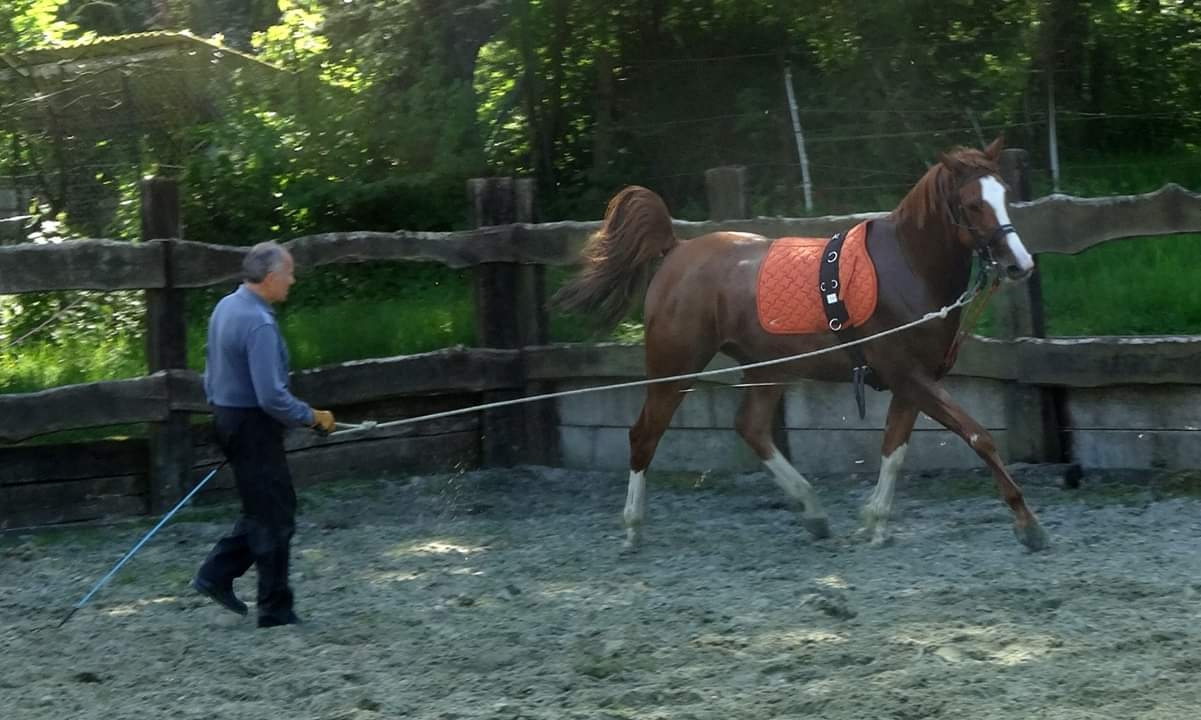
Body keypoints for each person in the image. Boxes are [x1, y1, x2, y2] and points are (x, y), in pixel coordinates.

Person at [191, 241, 336, 628]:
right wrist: (311, 417)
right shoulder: (259, 324)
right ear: (271, 277)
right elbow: (271, 396)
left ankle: (217, 574)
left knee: (267, 509)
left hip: (229, 418)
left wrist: (226, 417)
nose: (293, 280)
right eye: (289, 273)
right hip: (252, 425)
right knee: (274, 517)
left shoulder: (226, 306)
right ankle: (274, 609)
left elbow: (210, 371)